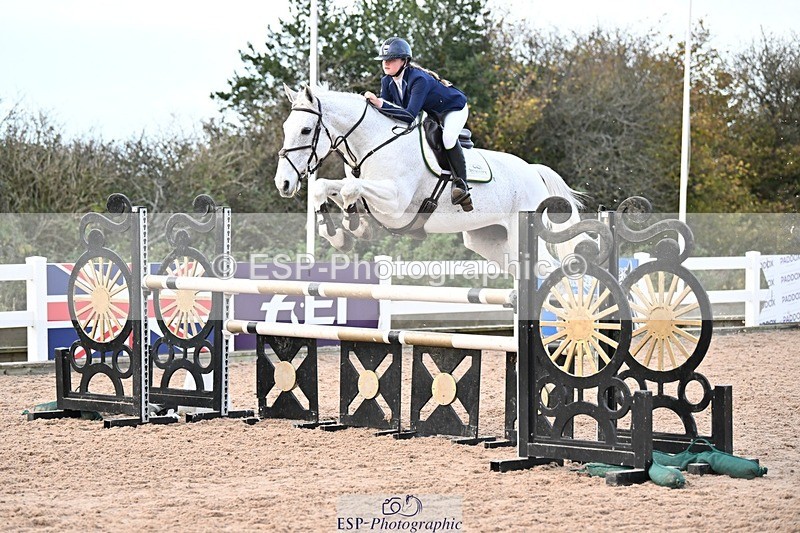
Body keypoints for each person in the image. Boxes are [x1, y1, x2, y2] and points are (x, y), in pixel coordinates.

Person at [364, 37, 473, 211]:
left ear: (404, 61)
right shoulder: (387, 81)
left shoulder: (418, 79)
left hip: (453, 108)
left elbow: (408, 116)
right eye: (384, 60)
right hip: (433, 113)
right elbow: (389, 115)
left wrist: (380, 104)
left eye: (391, 59)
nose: (386, 64)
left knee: (448, 138)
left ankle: (461, 185)